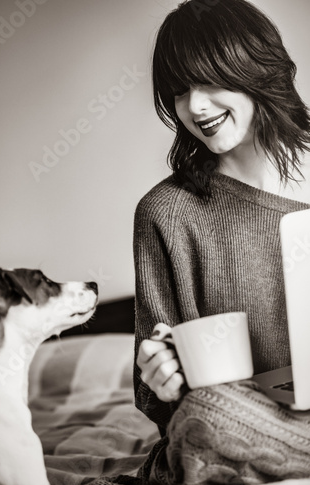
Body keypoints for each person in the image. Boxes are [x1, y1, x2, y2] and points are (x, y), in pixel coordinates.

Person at [133, 0, 310, 434]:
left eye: (208, 81)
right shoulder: (168, 215)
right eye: (179, 90)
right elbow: (158, 403)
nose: (194, 107)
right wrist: (161, 382)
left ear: (255, 70)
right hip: (242, 432)